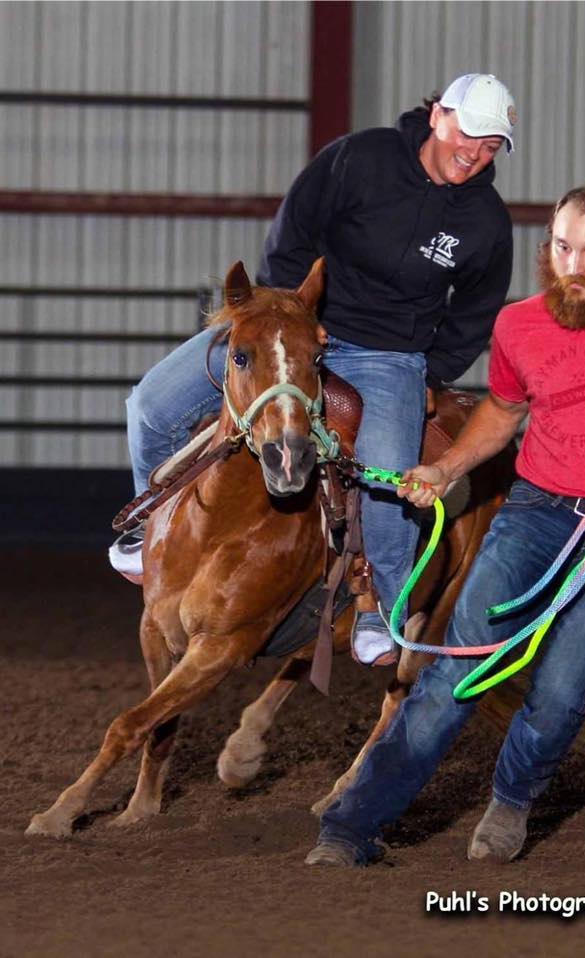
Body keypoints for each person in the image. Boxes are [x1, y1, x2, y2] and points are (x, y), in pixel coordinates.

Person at [305, 181, 585, 866]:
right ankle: (352, 825)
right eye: (563, 248)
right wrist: (445, 470)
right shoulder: (519, 324)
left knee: (563, 689)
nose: (574, 264)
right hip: (535, 511)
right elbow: (503, 412)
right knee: (458, 668)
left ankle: (511, 801)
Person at [109, 73, 517, 666]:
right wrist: (289, 310)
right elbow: (293, 232)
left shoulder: (485, 222)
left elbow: (476, 311)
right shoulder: (359, 159)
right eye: (470, 135)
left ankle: (382, 608)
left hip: (388, 354)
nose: (475, 154)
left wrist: (434, 373)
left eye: (491, 146)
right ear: (439, 116)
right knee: (154, 405)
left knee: (389, 482)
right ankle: (145, 525)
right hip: (296, 323)